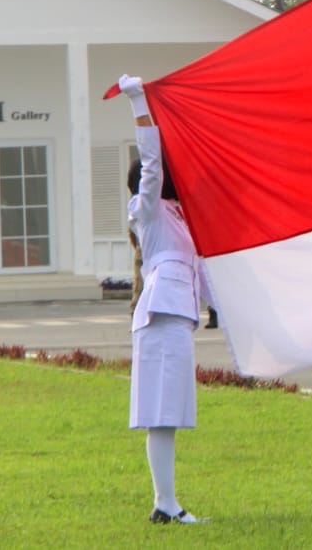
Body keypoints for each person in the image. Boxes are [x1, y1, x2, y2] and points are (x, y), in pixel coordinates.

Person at [116, 75, 207, 525]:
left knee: (167, 413)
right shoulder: (146, 210)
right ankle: (165, 504)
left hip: (176, 317)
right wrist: (139, 102)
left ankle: (165, 504)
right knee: (161, 413)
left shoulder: (177, 215)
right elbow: (152, 166)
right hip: (161, 315)